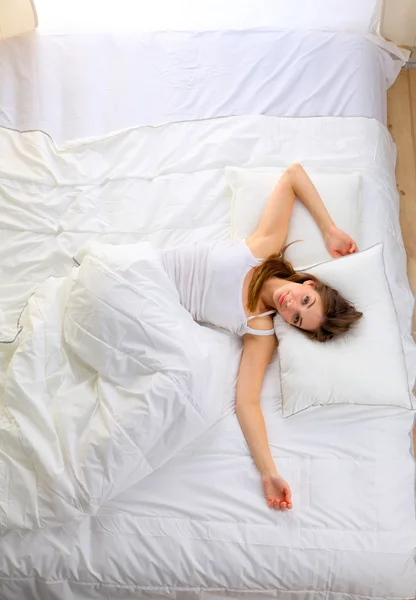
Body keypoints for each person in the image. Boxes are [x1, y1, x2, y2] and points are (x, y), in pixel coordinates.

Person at [162, 163, 362, 512]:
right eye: (305, 300)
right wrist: (329, 229)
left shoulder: (261, 332)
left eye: (297, 319)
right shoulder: (265, 247)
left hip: (156, 308)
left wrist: (268, 473)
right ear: (308, 284)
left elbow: (247, 403)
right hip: (150, 271)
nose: (291, 306)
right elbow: (294, 175)